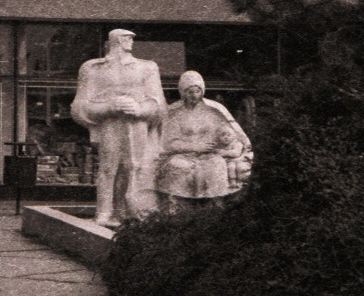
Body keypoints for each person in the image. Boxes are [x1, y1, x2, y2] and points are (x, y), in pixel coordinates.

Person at [70, 28, 166, 228]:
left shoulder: (147, 68)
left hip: (137, 123)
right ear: (115, 41)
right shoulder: (92, 68)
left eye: (132, 38)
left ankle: (130, 209)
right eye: (126, 37)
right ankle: (104, 211)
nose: (131, 41)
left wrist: (139, 109)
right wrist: (108, 107)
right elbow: (79, 107)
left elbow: (159, 106)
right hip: (110, 124)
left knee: (133, 167)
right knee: (108, 168)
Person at [154, 71, 252, 208]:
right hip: (182, 155)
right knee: (177, 166)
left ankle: (215, 206)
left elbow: (230, 133)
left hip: (211, 154)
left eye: (197, 91)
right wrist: (194, 147)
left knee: (216, 165)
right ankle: (178, 208)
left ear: (203, 91)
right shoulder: (174, 112)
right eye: (190, 91)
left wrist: (225, 147)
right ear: (182, 92)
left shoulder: (214, 110)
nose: (194, 95)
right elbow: (168, 142)